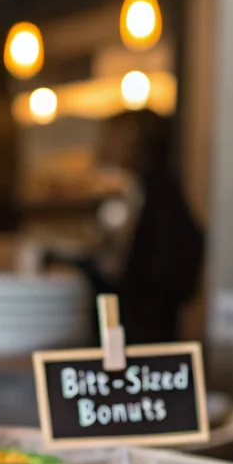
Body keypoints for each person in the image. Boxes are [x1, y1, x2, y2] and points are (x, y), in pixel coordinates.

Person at [90, 110, 204, 343]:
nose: (103, 145)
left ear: (135, 142)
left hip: (145, 341)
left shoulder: (158, 199)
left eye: (112, 136)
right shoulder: (140, 192)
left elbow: (164, 275)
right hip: (142, 334)